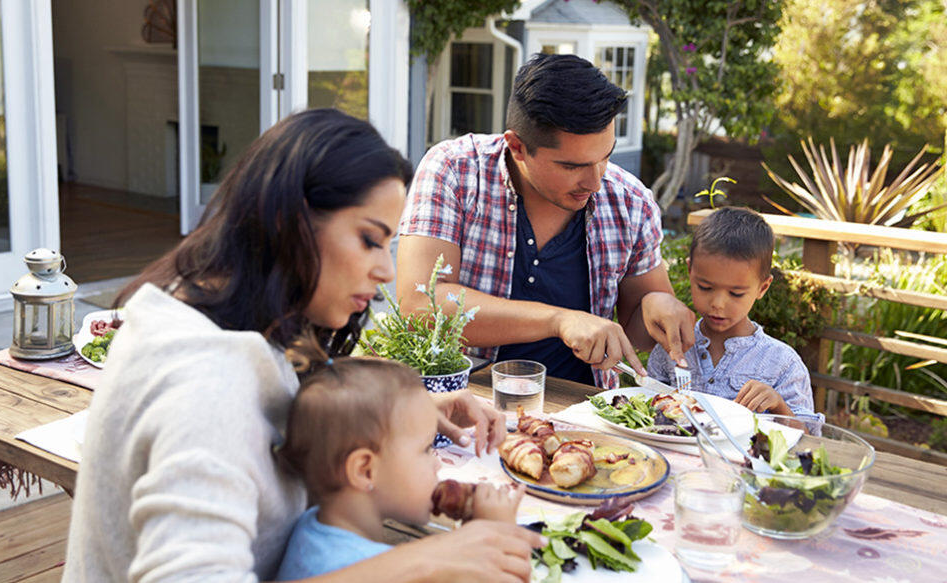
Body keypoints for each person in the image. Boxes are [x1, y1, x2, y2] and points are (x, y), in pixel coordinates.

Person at [63, 108, 542, 582]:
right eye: (369, 239)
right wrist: (429, 559)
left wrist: (402, 418)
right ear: (288, 222)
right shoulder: (206, 380)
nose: (387, 271)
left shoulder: (205, 319)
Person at [396, 53, 695, 390]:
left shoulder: (630, 202)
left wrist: (656, 307)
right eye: (572, 166)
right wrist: (558, 320)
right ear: (517, 147)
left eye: (605, 157)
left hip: (585, 410)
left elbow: (637, 334)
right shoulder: (454, 171)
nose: (595, 182)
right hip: (466, 403)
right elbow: (420, 307)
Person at [274, 346, 525, 580]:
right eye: (426, 450)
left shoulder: (312, 527)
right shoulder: (365, 569)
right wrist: (495, 531)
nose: (437, 464)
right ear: (365, 470)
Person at [646, 207, 823, 421]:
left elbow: (807, 439)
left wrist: (778, 405)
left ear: (762, 288)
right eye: (705, 287)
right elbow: (645, 413)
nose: (718, 304)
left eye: (736, 293)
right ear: (690, 270)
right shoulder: (671, 346)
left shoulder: (782, 363)